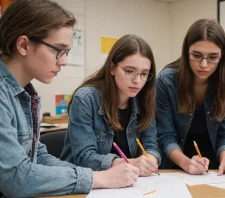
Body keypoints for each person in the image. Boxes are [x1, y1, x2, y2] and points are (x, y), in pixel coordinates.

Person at [0, 0, 139, 197]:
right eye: (58, 50)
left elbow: (37, 157)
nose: (64, 61)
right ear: (23, 45)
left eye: (66, 51)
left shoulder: (26, 95)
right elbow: (17, 178)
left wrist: (94, 176)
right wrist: (99, 178)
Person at [60, 34, 160, 177]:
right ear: (112, 68)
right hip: (85, 184)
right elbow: (85, 158)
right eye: (129, 71)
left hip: (128, 184)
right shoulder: (86, 99)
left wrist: (150, 158)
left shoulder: (144, 100)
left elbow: (151, 146)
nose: (137, 81)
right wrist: (130, 164)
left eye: (144, 74)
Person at [156, 18, 225, 177]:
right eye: (196, 55)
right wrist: (185, 163)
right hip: (174, 166)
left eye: (213, 57)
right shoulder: (165, 80)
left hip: (213, 169)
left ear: (222, 56)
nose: (204, 64)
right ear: (186, 51)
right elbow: (165, 135)